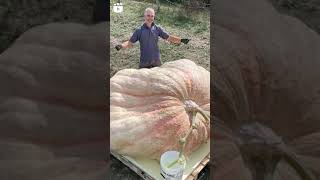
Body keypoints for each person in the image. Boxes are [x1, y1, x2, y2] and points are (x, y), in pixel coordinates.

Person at [115, 7, 190, 69]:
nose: (150, 18)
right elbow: (130, 42)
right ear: (144, 16)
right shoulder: (139, 30)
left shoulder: (157, 29)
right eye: (148, 15)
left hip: (156, 61)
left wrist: (181, 40)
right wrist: (121, 45)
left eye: (152, 16)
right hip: (144, 63)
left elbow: (168, 37)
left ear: (154, 17)